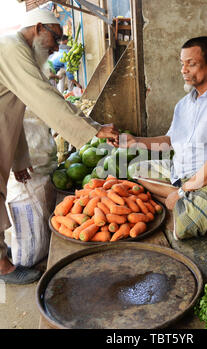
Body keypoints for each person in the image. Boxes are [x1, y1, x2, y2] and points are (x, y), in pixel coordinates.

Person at [0, 8, 119, 284]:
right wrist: (94, 131)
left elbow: (13, 110)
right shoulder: (11, 48)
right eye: (56, 38)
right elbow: (43, 98)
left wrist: (19, 161)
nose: (56, 47)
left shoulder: (20, 52)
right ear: (39, 27)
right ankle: (4, 267)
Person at [120, 36, 207, 241]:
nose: (183, 70)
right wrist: (135, 141)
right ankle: (176, 195)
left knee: (185, 225)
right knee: (137, 171)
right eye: (182, 64)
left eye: (191, 63)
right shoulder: (183, 104)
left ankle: (177, 197)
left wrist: (181, 192)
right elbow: (171, 140)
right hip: (182, 172)